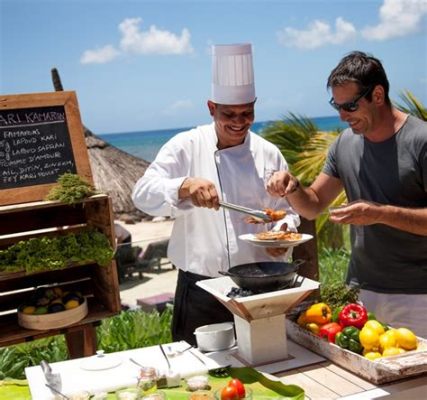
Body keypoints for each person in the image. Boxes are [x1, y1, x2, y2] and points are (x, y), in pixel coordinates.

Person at [132, 43, 300, 345]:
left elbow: (286, 212)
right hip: (201, 288)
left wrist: (282, 233)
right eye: (229, 114)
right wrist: (184, 186)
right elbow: (141, 194)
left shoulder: (269, 152)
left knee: (264, 368)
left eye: (247, 113)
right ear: (211, 108)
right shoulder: (186, 145)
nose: (239, 121)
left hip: (262, 284)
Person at [266, 51, 427, 337]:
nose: (342, 116)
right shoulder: (345, 144)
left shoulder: (420, 140)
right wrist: (293, 186)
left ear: (378, 95)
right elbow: (313, 205)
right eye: (336, 105)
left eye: (350, 106)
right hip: (361, 293)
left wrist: (379, 213)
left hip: (419, 296)